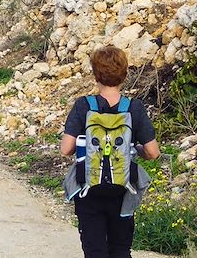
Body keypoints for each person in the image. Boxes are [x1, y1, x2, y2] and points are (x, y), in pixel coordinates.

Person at [60, 45, 159, 258]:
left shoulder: (83, 106)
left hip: (89, 191)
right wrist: (136, 149)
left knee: (95, 251)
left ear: (96, 74)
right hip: (123, 191)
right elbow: (153, 152)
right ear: (124, 74)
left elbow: (65, 149)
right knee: (121, 250)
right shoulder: (134, 108)